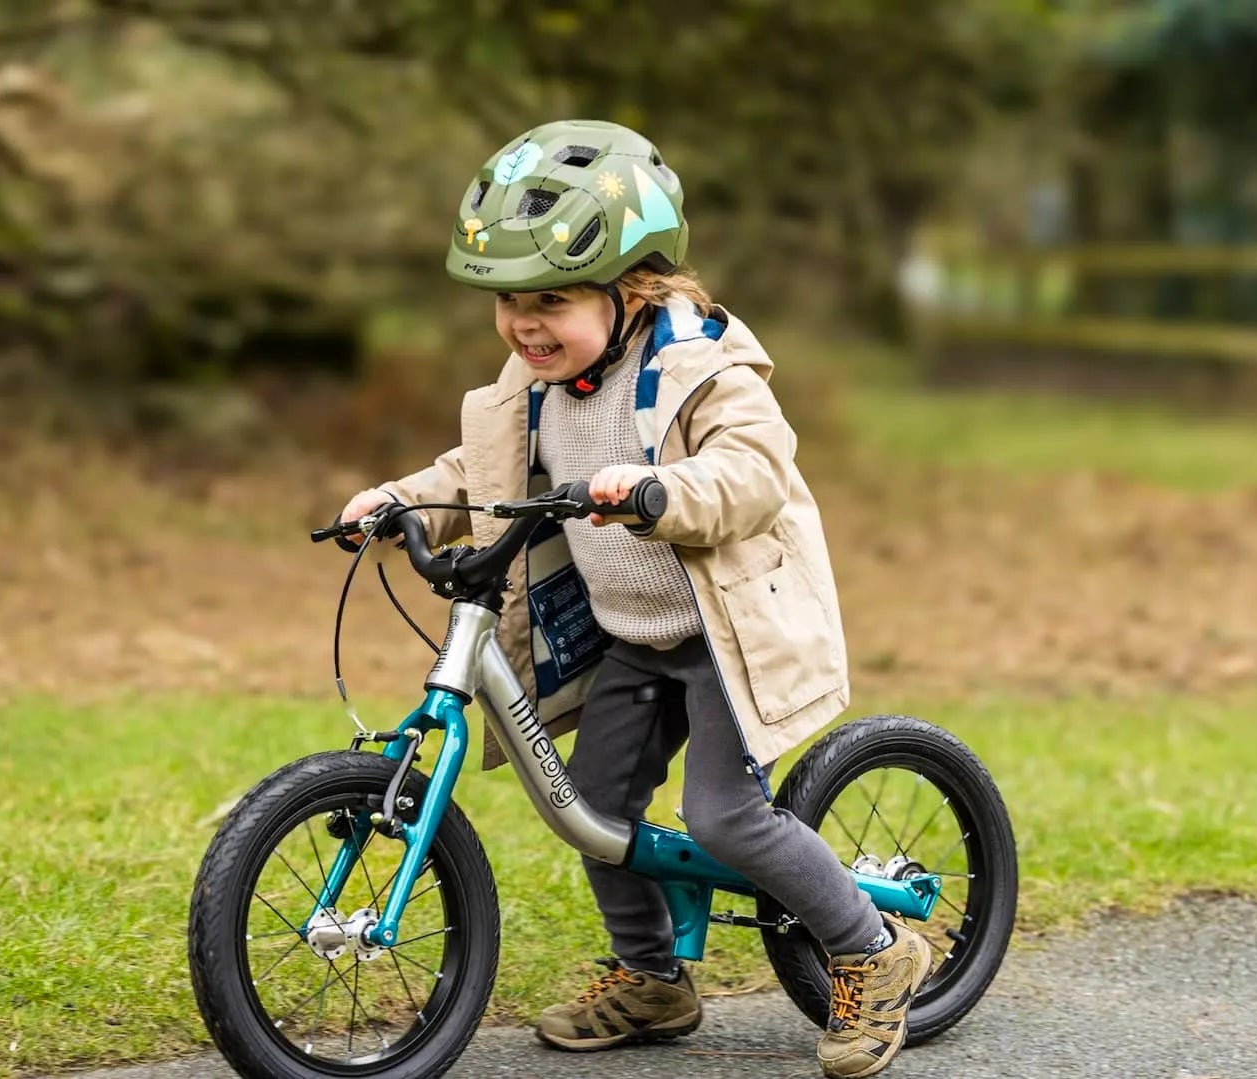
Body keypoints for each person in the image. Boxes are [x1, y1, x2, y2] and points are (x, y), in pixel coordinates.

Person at [336, 119, 931, 1078]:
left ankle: (874, 949)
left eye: (551, 299)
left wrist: (660, 492)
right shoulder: (538, 385)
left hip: (727, 634)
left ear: (635, 285)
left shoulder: (701, 368)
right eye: (508, 302)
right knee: (594, 806)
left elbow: (753, 472)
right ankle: (653, 978)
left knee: (725, 817)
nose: (525, 324)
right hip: (634, 637)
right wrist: (401, 501)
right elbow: (476, 471)